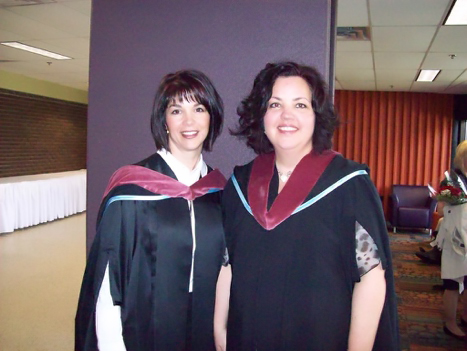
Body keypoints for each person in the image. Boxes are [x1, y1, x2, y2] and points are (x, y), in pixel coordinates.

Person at [214, 62, 400, 351]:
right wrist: (220, 330)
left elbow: (371, 276)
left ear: (317, 116)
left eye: (300, 105)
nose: (286, 115)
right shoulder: (239, 184)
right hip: (248, 336)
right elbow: (228, 264)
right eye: (275, 104)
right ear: (261, 115)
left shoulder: (348, 184)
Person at [75, 70, 227, 351]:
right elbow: (108, 281)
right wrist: (111, 343)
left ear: (211, 117)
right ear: (164, 121)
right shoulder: (132, 190)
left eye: (199, 108)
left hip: (205, 331)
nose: (189, 121)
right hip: (145, 330)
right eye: (176, 110)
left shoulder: (220, 193)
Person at [431, 141, 467, 341]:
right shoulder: (452, 181)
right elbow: (441, 210)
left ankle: (465, 316)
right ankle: (450, 324)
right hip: (456, 239)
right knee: (453, 283)